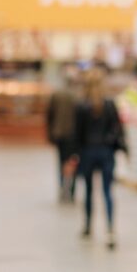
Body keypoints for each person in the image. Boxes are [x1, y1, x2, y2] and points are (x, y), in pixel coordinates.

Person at [74, 68, 126, 249]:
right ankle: (110, 229)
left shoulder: (81, 106)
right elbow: (117, 128)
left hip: (88, 151)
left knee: (88, 190)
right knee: (107, 191)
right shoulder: (109, 104)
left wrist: (75, 154)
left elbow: (77, 133)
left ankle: (88, 225)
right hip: (106, 152)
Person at [46, 64, 79, 203]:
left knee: (61, 161)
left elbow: (50, 115)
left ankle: (61, 187)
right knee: (73, 161)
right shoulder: (78, 95)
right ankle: (71, 190)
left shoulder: (56, 94)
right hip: (74, 134)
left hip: (59, 133)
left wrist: (50, 132)